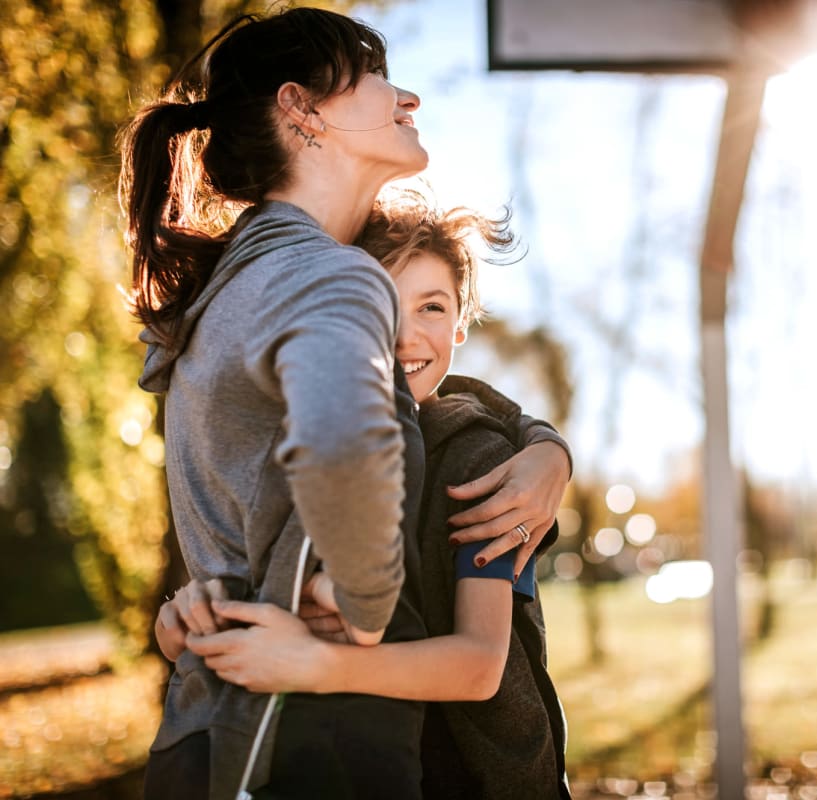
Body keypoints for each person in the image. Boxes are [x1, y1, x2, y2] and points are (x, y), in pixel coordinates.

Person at [117, 8, 570, 800]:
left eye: (434, 307)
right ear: (302, 108)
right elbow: (341, 449)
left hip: (206, 735)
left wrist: (541, 443)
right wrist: (363, 610)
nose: (408, 98)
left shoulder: (222, 293)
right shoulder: (328, 275)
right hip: (318, 742)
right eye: (374, 75)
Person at [170, 191, 572, 799]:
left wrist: (315, 663)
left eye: (432, 307)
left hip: (477, 777)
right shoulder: (314, 446)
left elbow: (480, 667)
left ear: (461, 322)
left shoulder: (479, 458)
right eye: (380, 305)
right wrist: (188, 620)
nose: (407, 336)